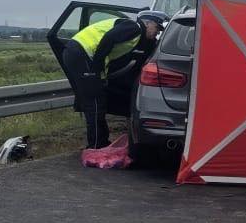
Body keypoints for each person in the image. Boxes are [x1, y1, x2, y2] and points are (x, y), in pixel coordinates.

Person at [49, 9, 167, 149]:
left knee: (96, 101)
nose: (157, 32)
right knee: (94, 103)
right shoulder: (134, 27)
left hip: (78, 53)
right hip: (82, 52)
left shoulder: (138, 36)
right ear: (147, 23)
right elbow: (108, 39)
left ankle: (100, 142)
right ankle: (97, 145)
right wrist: (97, 67)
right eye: (157, 28)